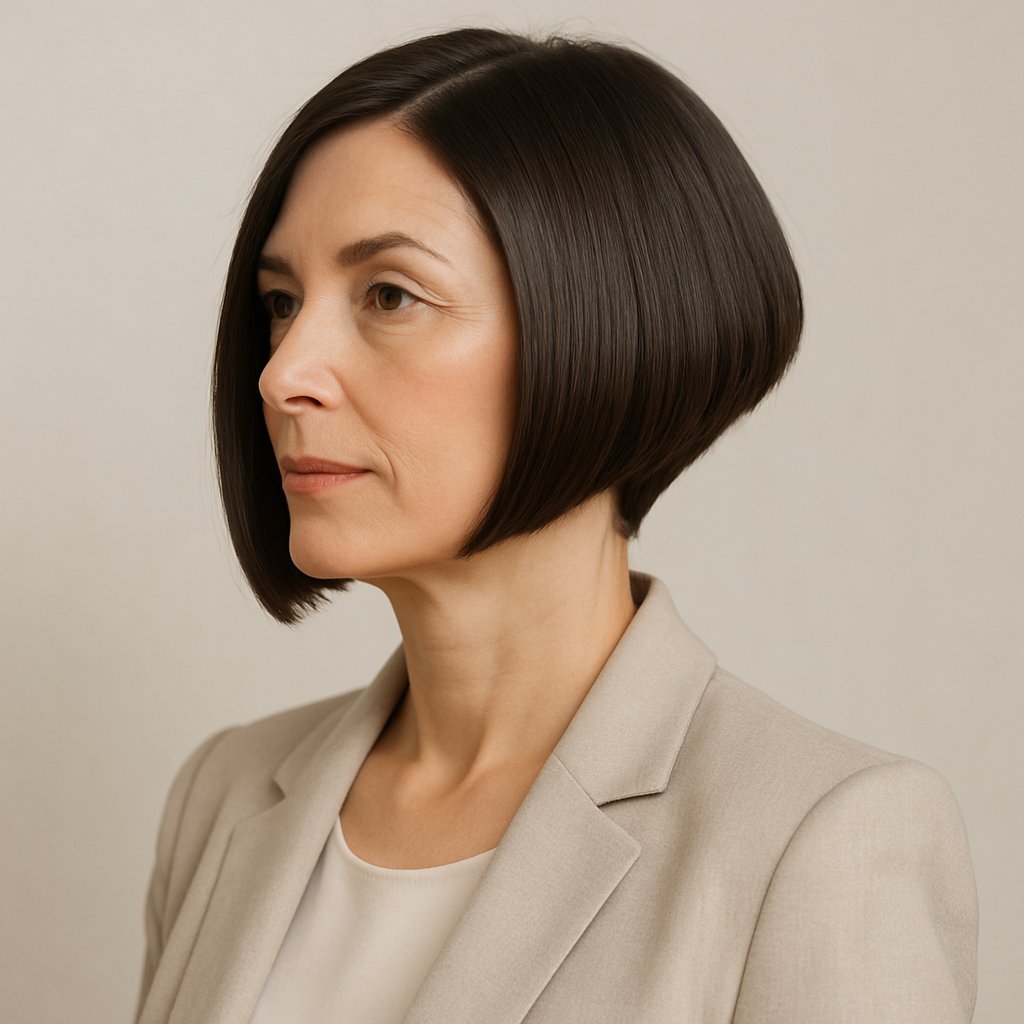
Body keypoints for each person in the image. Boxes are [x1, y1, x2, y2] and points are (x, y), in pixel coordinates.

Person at [134, 26, 978, 1024]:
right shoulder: (225, 796)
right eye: (281, 302)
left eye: (389, 295)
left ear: (606, 333)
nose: (282, 374)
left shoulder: (820, 840)